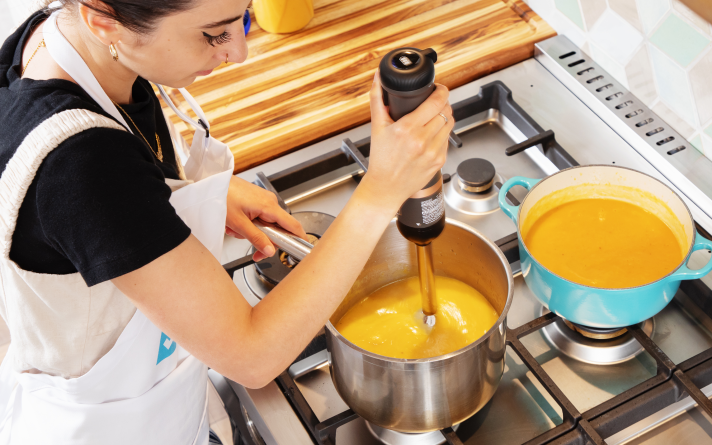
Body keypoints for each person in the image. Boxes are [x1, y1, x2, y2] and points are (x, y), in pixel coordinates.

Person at [0, 0, 454, 443]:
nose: (239, 51)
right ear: (105, 22)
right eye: (213, 33)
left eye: (246, 14)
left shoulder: (60, 39)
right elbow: (252, 356)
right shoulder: (81, 164)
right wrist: (378, 193)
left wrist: (162, 204)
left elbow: (85, 213)